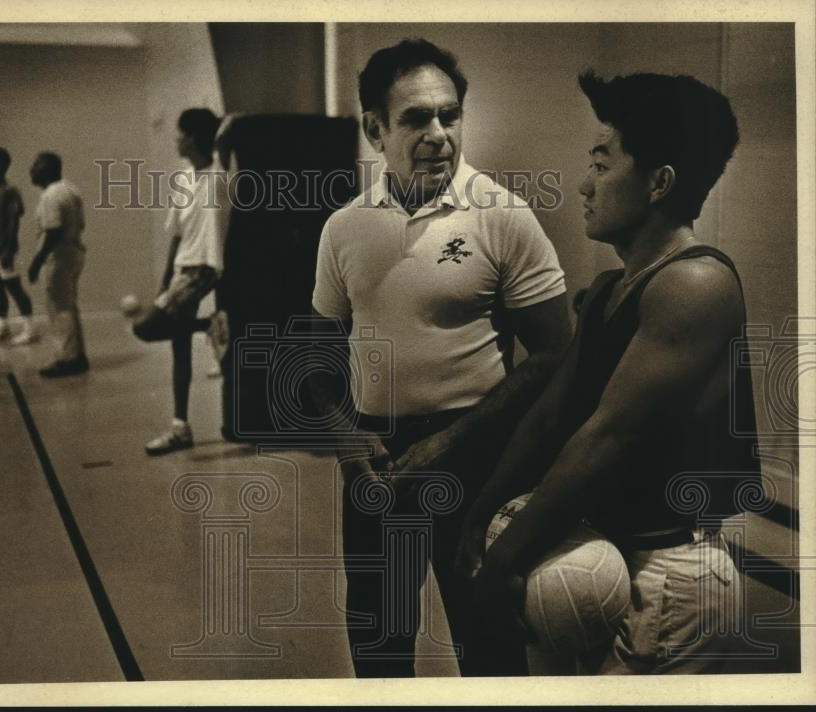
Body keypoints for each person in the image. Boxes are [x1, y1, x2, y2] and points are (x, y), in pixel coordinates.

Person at [456, 71, 759, 674]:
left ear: (659, 183)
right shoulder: (607, 292)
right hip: (597, 556)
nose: (583, 184)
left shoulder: (696, 283)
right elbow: (548, 418)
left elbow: (606, 439)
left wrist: (502, 563)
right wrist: (477, 520)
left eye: (601, 163)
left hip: (672, 576)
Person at [310, 39, 571, 677]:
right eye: (416, 118)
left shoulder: (503, 216)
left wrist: (446, 444)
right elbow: (316, 362)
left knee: (487, 649)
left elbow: (557, 354)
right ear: (375, 129)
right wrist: (348, 439)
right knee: (378, 646)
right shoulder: (343, 227)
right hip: (377, 463)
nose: (438, 134)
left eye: (449, 116)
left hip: (479, 460)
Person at [130, 108, 229, 455]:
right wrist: (163, 281)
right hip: (183, 270)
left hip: (204, 270)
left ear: (192, 138)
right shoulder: (183, 179)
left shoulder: (222, 177)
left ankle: (211, 325)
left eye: (179, 133)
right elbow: (176, 236)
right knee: (178, 343)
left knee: (144, 327)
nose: (175, 139)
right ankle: (180, 426)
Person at [27, 152, 89, 378]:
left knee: (59, 309)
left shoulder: (51, 195)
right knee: (69, 306)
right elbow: (80, 224)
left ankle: (66, 359)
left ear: (49, 168)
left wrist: (37, 260)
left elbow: (53, 230)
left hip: (59, 257)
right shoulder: (70, 189)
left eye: (36, 166)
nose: (32, 170)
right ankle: (78, 355)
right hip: (74, 252)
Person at [0, 147, 37, 345]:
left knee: (14, 287)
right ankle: (2, 326)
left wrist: (8, 248)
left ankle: (30, 329)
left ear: (5, 166)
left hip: (4, 249)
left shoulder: (10, 191)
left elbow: (14, 221)